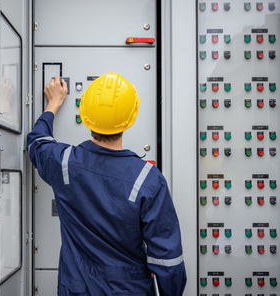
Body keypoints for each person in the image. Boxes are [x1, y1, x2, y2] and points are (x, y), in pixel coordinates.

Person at [27, 73, 186, 295]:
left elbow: (36, 142)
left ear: (85, 115)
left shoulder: (64, 163)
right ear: (131, 118)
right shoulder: (148, 179)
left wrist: (53, 103)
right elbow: (167, 261)